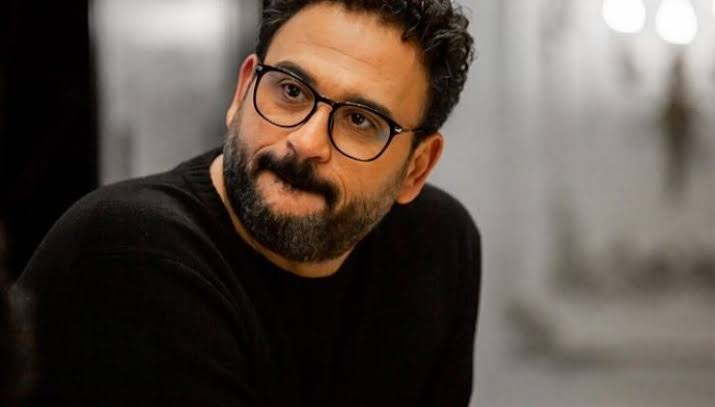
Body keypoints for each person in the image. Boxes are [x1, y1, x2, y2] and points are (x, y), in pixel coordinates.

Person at [15, 0, 479, 405]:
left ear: (416, 168)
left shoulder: (436, 246)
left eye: (360, 120)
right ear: (242, 93)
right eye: (291, 91)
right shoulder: (131, 250)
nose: (306, 142)